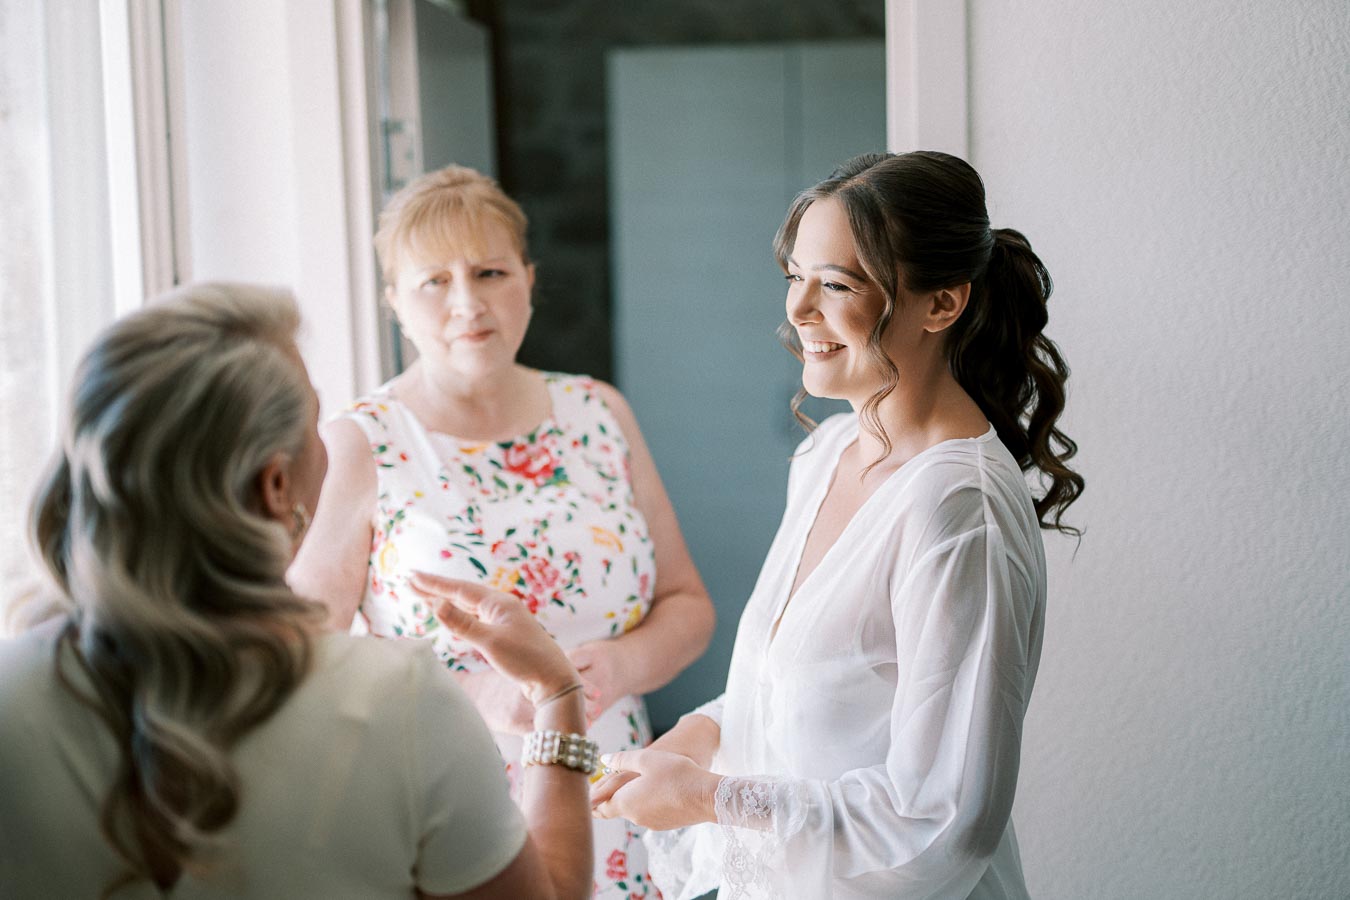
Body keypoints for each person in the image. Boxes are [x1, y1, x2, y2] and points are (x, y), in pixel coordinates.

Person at [589, 151, 1086, 899]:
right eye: (796, 275)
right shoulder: (828, 454)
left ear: (942, 305)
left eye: (837, 284)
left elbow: (943, 818)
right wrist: (700, 740)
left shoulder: (957, 511)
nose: (797, 309)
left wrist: (704, 798)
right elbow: (803, 696)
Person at [0, 283, 597, 899]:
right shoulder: (398, 702)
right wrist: (557, 694)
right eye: (317, 421)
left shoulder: (11, 697)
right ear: (276, 486)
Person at [288, 165, 715, 897]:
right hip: (448, 798)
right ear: (394, 301)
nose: (467, 303)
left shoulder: (599, 413)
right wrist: (476, 695)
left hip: (612, 792)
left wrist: (621, 666)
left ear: (527, 277)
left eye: (489, 271)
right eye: (434, 281)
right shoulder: (361, 442)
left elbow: (688, 605)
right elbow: (306, 655)